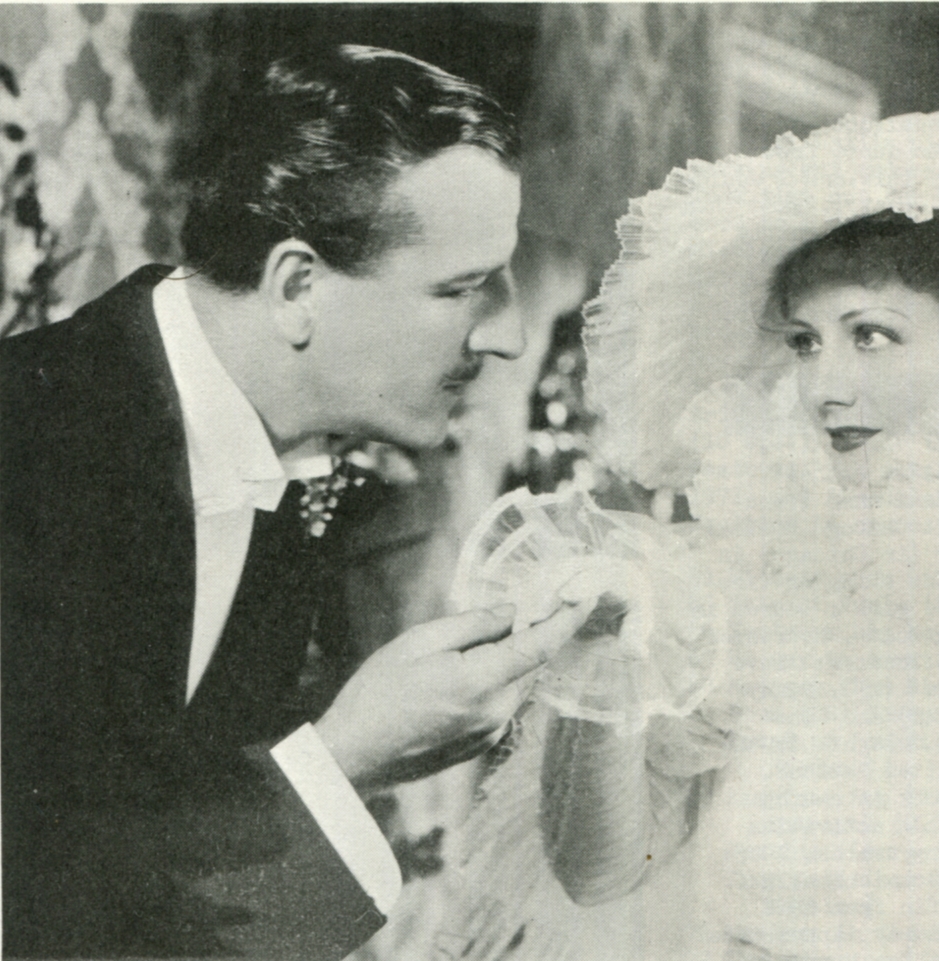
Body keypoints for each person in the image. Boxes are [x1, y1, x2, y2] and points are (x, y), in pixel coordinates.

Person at [368, 6, 939, 961]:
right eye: (803, 341)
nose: (823, 386)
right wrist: (602, 671)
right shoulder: (745, 578)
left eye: (872, 334)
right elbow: (601, 873)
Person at [0, 45, 599, 959]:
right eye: (460, 288)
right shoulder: (26, 438)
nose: (510, 334)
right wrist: (344, 754)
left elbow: (190, 927)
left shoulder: (292, 456)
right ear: (296, 288)